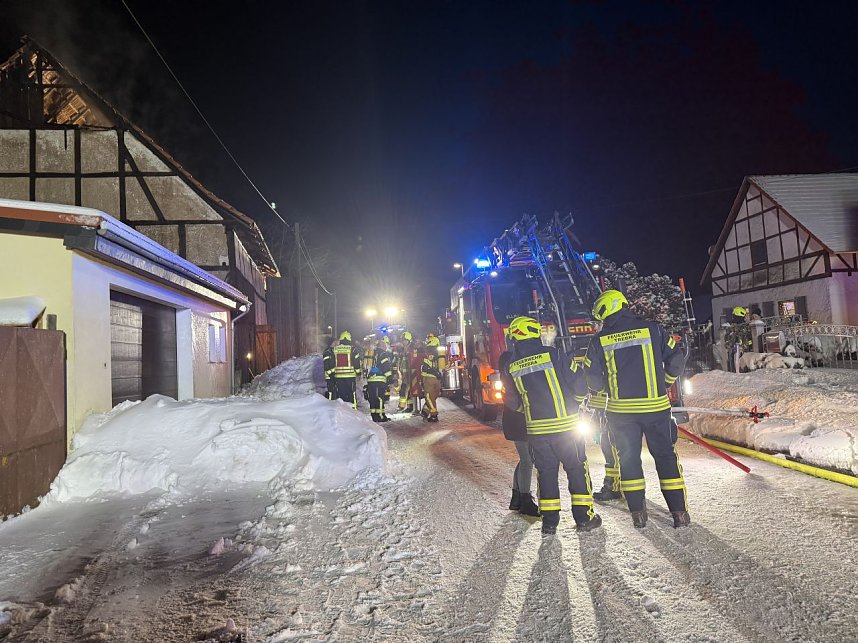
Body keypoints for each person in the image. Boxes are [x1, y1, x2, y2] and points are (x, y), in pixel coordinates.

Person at [584, 290, 690, 529]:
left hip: (621, 414)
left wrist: (604, 391)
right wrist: (664, 383)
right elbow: (676, 360)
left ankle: (639, 516)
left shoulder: (599, 340)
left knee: (629, 461)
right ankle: (679, 515)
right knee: (665, 458)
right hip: (656, 409)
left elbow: (592, 377)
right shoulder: (653, 329)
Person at [500, 315, 601, 535]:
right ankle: (584, 519)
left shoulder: (511, 366)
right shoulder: (553, 354)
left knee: (546, 474)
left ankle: (549, 523)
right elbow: (579, 384)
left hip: (537, 431)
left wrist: (531, 412)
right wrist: (575, 403)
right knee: (576, 469)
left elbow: (512, 402)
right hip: (566, 428)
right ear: (535, 332)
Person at [499, 341, 539, 517]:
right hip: (518, 418)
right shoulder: (511, 365)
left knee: (525, 459)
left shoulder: (506, 364)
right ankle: (525, 500)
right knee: (527, 459)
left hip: (514, 418)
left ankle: (517, 498)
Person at [586, 389, 623, 501]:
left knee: (612, 452)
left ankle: (613, 487)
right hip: (604, 406)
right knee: (610, 450)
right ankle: (617, 484)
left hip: (610, 405)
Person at [332, 330, 361, 408]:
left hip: (338, 377)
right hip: (350, 376)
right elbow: (356, 362)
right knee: (351, 393)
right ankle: (353, 409)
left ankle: (343, 412)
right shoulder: (353, 349)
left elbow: (331, 362)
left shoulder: (335, 349)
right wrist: (358, 373)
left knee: (341, 394)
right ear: (349, 339)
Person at [421, 333, 442, 422]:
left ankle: (433, 415)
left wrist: (422, 382)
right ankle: (425, 411)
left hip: (429, 379)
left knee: (429, 397)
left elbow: (425, 368)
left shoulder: (428, 355)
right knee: (433, 397)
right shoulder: (440, 356)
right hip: (437, 380)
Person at [397, 331, 416, 413]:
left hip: (409, 374)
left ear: (408, 340)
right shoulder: (404, 350)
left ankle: (404, 406)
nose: (403, 342)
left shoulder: (410, 349)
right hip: (404, 374)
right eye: (402, 340)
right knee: (406, 390)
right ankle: (408, 407)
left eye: (404, 340)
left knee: (405, 390)